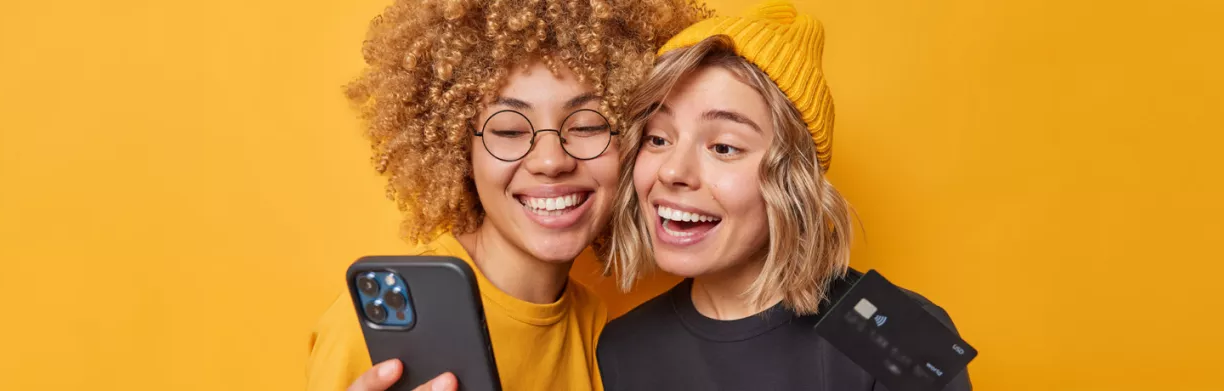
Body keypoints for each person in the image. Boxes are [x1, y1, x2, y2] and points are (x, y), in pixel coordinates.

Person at [306, 1, 705, 390]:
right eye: (510, 131)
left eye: (586, 127)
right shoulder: (373, 329)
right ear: (461, 149)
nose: (551, 161)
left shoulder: (600, 327)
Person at [596, 1, 974, 390]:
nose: (672, 171)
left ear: (793, 178)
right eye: (657, 138)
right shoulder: (621, 349)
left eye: (724, 147)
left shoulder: (901, 331)